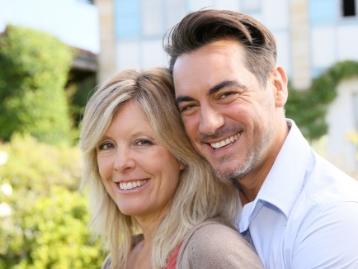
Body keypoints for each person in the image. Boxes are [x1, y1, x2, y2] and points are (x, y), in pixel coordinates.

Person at [163, 9, 358, 269]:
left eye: (226, 94)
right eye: (189, 106)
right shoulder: (207, 201)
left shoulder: (338, 220)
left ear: (277, 87)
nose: (209, 124)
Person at [79, 67, 265, 269]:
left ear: (180, 154)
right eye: (107, 145)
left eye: (142, 142)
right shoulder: (119, 260)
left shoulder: (211, 249)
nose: (121, 163)